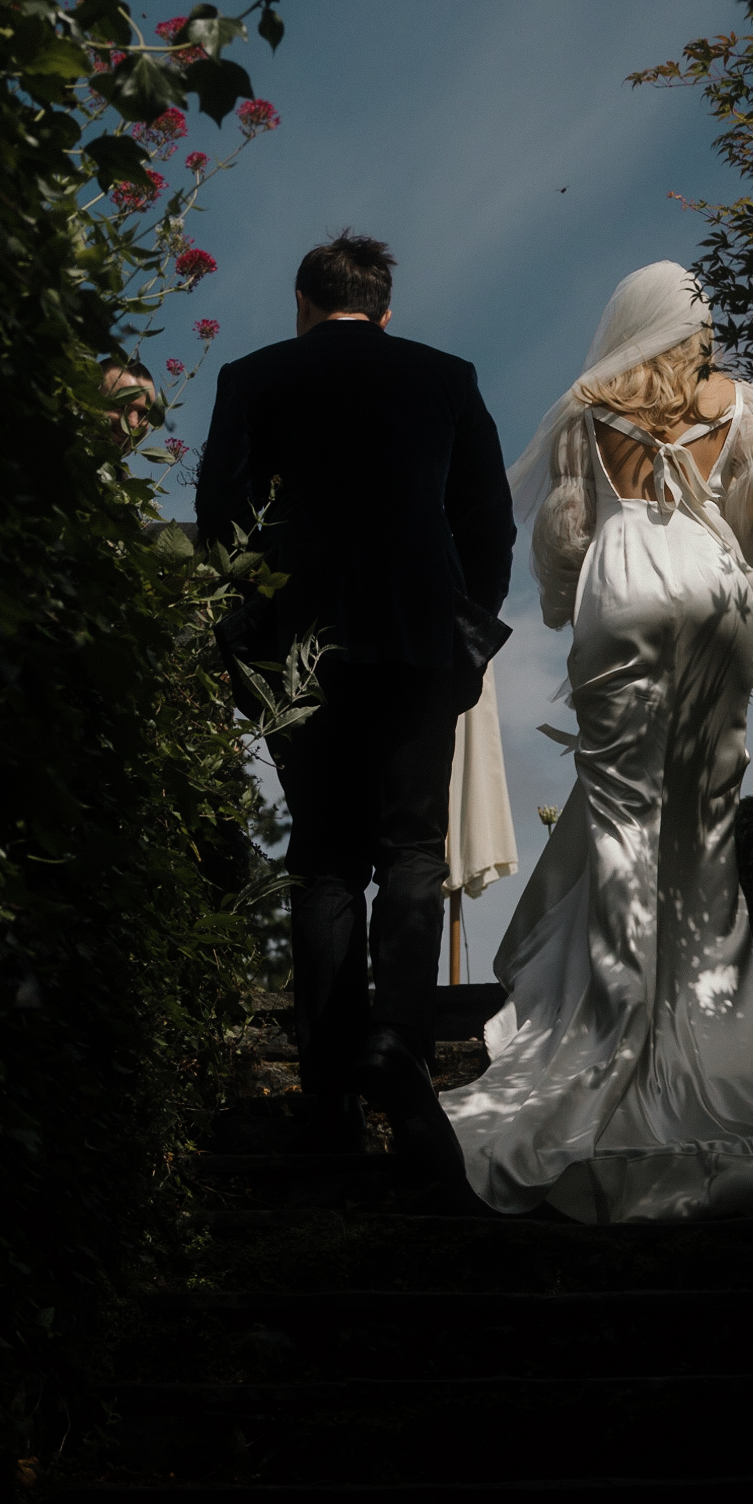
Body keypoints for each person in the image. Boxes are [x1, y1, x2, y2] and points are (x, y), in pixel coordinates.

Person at [440, 261, 753, 1225]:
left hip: (621, 595)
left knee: (624, 834)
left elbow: (568, 538)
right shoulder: (738, 403)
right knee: (703, 838)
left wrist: (578, 590)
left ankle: (609, 1042)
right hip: (710, 600)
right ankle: (705, 1068)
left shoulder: (587, 412)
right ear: (692, 325)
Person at [194, 232, 514, 1178]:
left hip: (300, 644)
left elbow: (222, 515)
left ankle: (328, 1091)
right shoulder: (445, 377)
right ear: (383, 306)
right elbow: (486, 516)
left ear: (302, 300)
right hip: (418, 640)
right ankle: (400, 1045)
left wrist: (242, 631)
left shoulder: (253, 378)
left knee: (324, 859)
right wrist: (469, 620)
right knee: (413, 848)